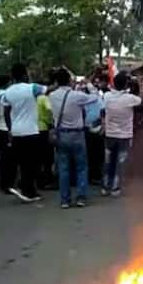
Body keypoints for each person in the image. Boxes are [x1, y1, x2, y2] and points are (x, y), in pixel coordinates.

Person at [49, 68, 98, 208]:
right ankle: (81, 198)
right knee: (81, 166)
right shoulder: (77, 96)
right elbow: (95, 97)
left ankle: (65, 200)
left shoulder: (52, 96)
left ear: (57, 81)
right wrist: (89, 85)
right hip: (77, 135)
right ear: (69, 81)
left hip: (61, 135)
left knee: (63, 168)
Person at [3, 63, 47, 203]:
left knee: (23, 162)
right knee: (32, 163)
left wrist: (10, 128)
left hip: (16, 132)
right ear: (24, 74)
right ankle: (28, 191)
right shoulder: (32, 88)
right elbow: (49, 89)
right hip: (31, 131)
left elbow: (6, 112)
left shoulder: (7, 92)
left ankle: (25, 188)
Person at [101, 71, 143, 196]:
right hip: (124, 136)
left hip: (110, 134)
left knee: (108, 161)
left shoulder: (106, 96)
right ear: (126, 84)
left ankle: (105, 187)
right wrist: (137, 84)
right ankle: (115, 188)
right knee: (120, 163)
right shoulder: (130, 99)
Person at [0, 75, 16, 194]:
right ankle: (9, 184)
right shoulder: (6, 95)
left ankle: (3, 183)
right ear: (7, 83)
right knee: (10, 159)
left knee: (3, 159)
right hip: (7, 129)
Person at [36, 78, 55, 190]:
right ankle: (47, 180)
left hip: (35, 129)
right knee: (48, 156)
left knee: (39, 157)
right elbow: (49, 109)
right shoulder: (44, 98)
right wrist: (51, 121)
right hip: (44, 128)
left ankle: (39, 180)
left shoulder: (35, 98)